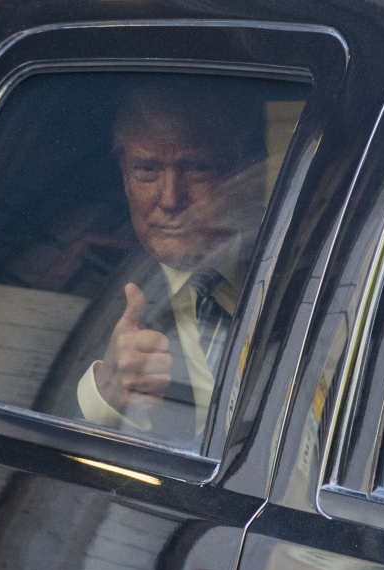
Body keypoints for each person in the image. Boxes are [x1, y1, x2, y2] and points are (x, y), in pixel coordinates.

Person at [75, 80, 264, 444]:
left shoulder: (295, 266)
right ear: (125, 178)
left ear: (240, 172)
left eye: (195, 167)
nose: (170, 198)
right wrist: (106, 396)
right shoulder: (83, 283)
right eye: (147, 170)